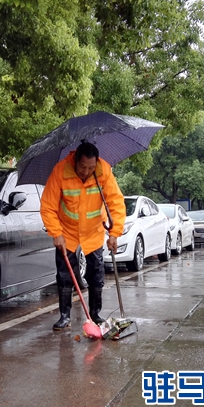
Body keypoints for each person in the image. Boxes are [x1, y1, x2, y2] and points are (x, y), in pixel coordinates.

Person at [40, 141, 126, 331]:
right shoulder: (61, 171)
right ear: (75, 161)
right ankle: (64, 316)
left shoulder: (103, 171)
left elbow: (116, 203)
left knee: (96, 273)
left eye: (90, 168)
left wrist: (114, 233)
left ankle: (95, 314)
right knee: (65, 276)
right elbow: (48, 206)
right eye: (82, 167)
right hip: (67, 232)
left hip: (93, 231)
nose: (86, 171)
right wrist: (55, 232)